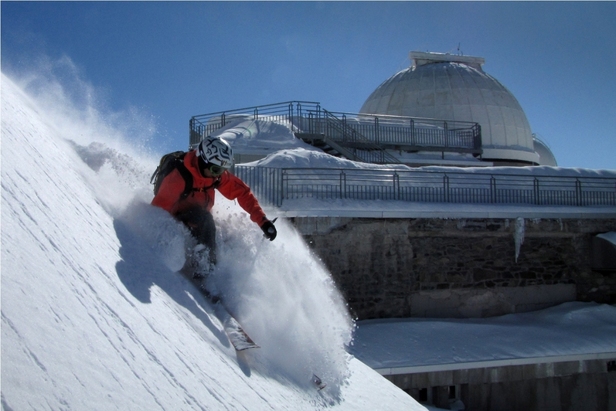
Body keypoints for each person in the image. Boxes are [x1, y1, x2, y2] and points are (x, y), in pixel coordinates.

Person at [151, 136, 277, 278]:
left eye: (223, 170)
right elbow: (156, 213)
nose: (219, 175)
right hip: (177, 221)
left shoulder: (214, 175)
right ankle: (205, 273)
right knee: (206, 221)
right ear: (203, 160)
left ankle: (227, 275)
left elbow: (243, 193)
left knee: (223, 233)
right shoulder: (178, 178)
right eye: (216, 169)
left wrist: (263, 221)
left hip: (198, 220)